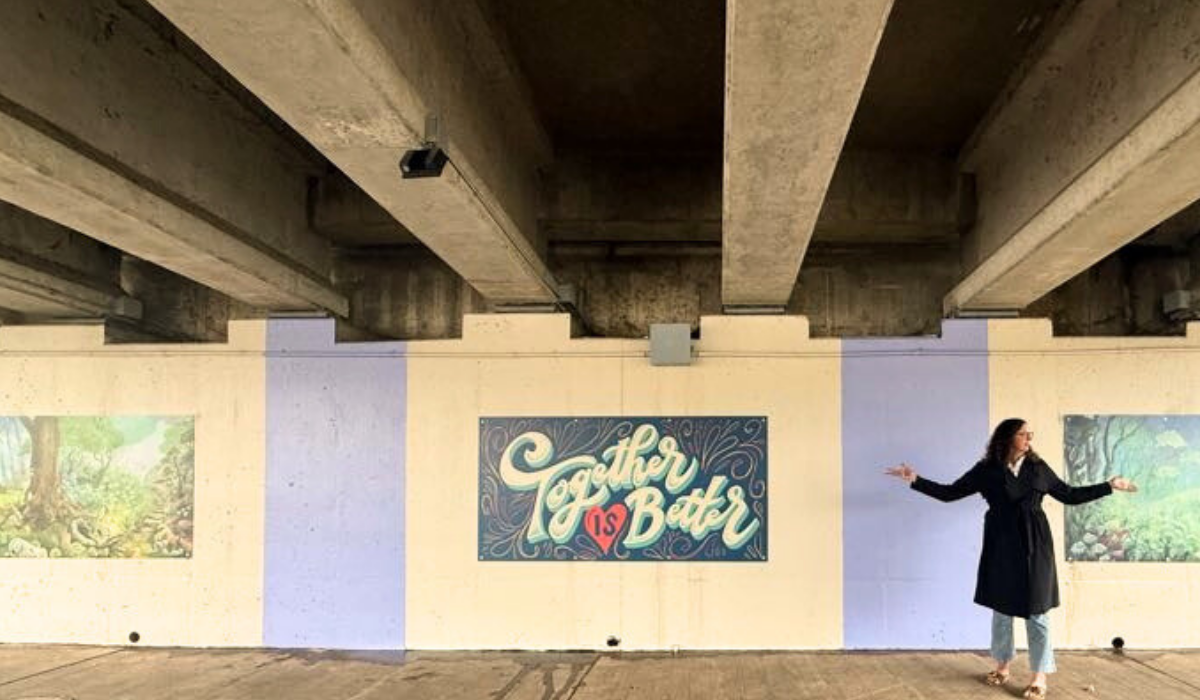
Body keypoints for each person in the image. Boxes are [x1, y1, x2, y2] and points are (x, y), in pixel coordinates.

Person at [885, 418, 1137, 700]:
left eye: (1031, 433)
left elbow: (1069, 495)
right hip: (1001, 543)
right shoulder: (986, 470)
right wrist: (915, 480)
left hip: (1035, 544)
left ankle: (1039, 675)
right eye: (1023, 434)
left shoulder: (1038, 468)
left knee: (1037, 611)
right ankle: (1003, 666)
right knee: (1002, 609)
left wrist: (1109, 485)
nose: (1029, 438)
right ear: (1007, 438)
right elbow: (950, 493)